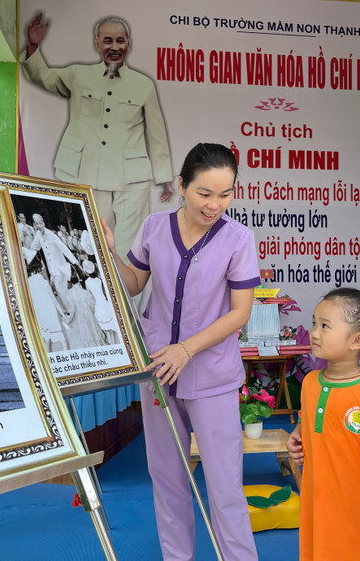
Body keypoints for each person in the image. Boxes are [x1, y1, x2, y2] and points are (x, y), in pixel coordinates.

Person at [103, 142, 260, 561]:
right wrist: (108, 250)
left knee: (225, 486)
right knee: (167, 478)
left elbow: (240, 313)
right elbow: (134, 282)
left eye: (225, 194)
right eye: (204, 193)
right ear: (181, 186)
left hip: (211, 377)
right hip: (159, 371)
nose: (215, 205)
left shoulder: (239, 239)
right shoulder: (155, 226)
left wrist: (186, 350)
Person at [21, 13, 174, 259]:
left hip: (130, 180)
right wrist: (33, 46)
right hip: (86, 171)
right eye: (108, 41)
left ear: (128, 44)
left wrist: (164, 175)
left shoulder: (143, 84)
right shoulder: (78, 75)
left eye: (120, 41)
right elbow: (45, 78)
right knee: (91, 241)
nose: (115, 47)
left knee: (131, 245)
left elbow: (156, 132)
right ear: (97, 44)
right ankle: (103, 293)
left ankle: (127, 296)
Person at [286, 287, 360, 561]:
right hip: (319, 513)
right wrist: (297, 435)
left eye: (325, 326)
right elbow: (310, 424)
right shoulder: (311, 384)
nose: (315, 332)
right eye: (314, 323)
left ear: (357, 340)